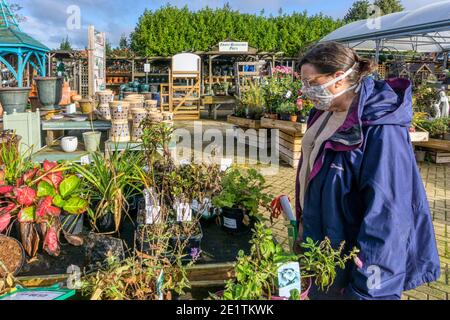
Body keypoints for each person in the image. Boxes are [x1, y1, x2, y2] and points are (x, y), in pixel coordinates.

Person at [295, 42, 440, 300]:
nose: (306, 91)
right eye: (303, 83)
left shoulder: (381, 128)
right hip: (324, 246)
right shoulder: (323, 113)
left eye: (312, 83)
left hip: (355, 261)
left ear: (338, 78)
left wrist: (367, 290)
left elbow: (388, 217)